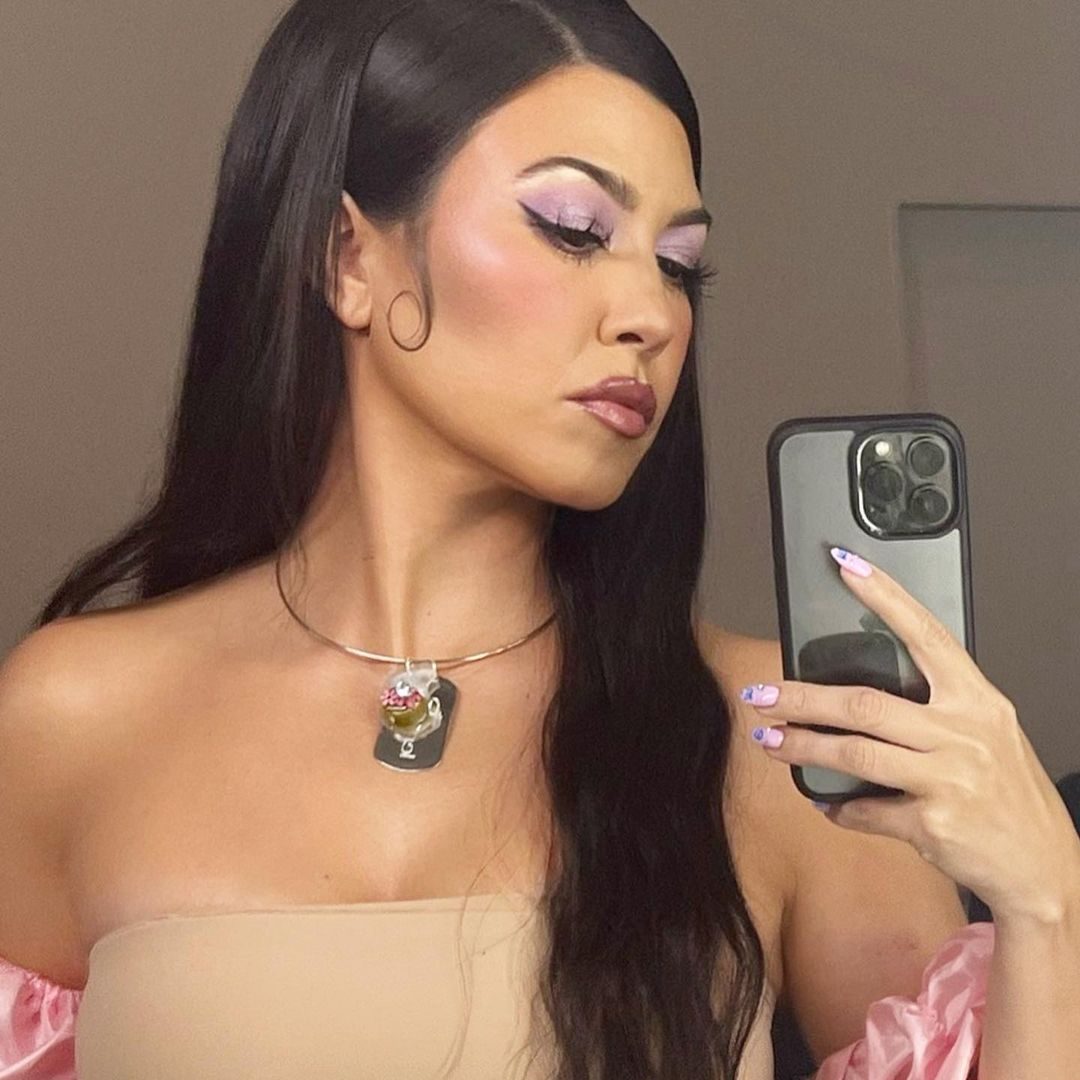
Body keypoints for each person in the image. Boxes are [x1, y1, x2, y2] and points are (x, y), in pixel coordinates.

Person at [1, 1, 1077, 1077]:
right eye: (573, 229)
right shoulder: (74, 717)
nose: (652, 314)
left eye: (679, 264)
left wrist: (1049, 897)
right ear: (347, 258)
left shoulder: (781, 747)